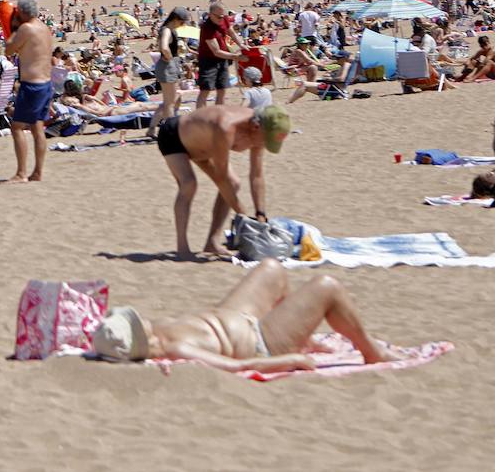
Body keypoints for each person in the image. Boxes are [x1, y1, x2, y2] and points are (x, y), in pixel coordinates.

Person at [92, 258, 399, 370]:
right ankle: (372, 352)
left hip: (234, 315)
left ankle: (300, 332)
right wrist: (290, 360)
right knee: (327, 287)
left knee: (271, 268)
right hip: (260, 341)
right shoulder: (176, 348)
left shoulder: (156, 330)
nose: (139, 317)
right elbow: (238, 366)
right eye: (135, 321)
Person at [154, 104, 291, 260]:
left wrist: (261, 215)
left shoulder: (261, 130)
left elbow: (257, 175)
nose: (264, 144)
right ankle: (182, 248)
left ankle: (212, 242)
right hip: (174, 137)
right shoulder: (226, 127)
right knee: (189, 184)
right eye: (266, 140)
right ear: (256, 126)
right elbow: (221, 177)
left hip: (205, 147)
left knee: (234, 184)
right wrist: (243, 216)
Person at [5, 0, 53, 183]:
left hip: (32, 85)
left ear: (23, 13)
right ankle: (38, 172)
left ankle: (21, 173)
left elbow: (9, 50)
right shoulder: (44, 28)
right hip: (45, 83)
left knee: (17, 127)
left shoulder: (26, 28)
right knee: (37, 127)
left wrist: (12, 30)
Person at [147, 7, 190, 139]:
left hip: (168, 66)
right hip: (167, 67)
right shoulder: (167, 30)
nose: (183, 25)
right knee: (170, 103)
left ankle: (152, 129)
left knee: (173, 100)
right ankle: (172, 132)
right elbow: (164, 47)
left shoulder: (168, 29)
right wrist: (170, 58)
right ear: (176, 19)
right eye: (182, 22)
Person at [196, 3, 244, 108]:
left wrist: (241, 44)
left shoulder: (224, 18)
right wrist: (235, 57)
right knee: (205, 91)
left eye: (222, 16)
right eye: (218, 17)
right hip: (208, 61)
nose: (221, 19)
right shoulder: (207, 28)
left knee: (222, 89)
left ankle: (218, 116)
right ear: (210, 15)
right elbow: (216, 51)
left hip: (223, 59)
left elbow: (231, 32)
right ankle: (201, 118)